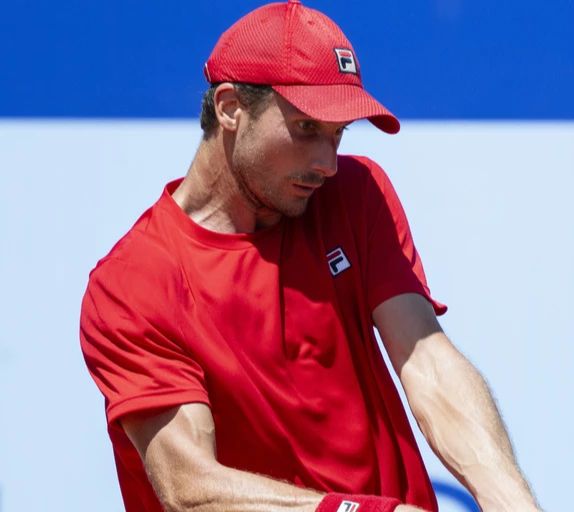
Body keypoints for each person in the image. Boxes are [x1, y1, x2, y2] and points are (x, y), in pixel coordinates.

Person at [78, 2, 540, 511]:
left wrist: (511, 500)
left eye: (338, 134)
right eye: (306, 129)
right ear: (231, 107)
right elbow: (191, 488)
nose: (327, 163)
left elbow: (426, 359)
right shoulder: (131, 285)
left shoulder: (357, 194)